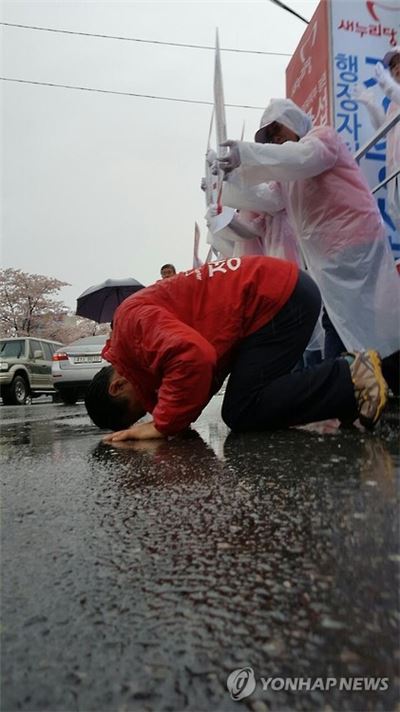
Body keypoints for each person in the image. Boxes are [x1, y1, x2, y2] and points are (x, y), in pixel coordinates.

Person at [84, 256, 388, 442]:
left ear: (118, 386)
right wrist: (173, 420)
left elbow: (193, 356)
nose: (148, 410)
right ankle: (353, 392)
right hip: (280, 292)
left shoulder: (130, 322)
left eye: (139, 412)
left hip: (276, 297)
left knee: (242, 408)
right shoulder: (133, 336)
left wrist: (162, 425)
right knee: (247, 400)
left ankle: (350, 377)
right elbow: (201, 376)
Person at [217, 98, 400, 391]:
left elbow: (304, 157)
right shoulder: (286, 177)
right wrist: (230, 178)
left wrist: (247, 154)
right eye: (270, 136)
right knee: (340, 321)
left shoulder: (322, 138)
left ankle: (353, 387)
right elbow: (267, 199)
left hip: (356, 245)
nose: (276, 139)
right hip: (328, 258)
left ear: (296, 122)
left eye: (278, 130)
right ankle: (355, 388)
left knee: (368, 320)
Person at [352, 46, 400, 231]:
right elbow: (383, 128)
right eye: (393, 65)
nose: (396, 68)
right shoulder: (393, 104)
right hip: (394, 174)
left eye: (399, 62)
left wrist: (387, 85)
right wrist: (370, 103)